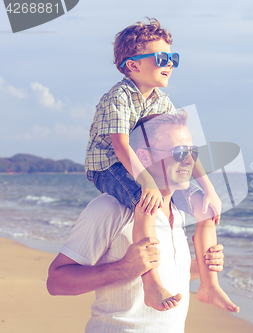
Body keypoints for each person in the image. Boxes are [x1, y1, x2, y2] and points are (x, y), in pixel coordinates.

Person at [84, 18, 233, 311]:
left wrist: (209, 189)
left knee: (206, 207)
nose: (170, 64)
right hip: (108, 164)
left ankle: (209, 285)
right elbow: (120, 145)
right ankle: (151, 284)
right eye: (162, 58)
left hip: (144, 163)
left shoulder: (162, 102)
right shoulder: (119, 96)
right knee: (145, 200)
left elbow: (186, 150)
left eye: (173, 58)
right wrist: (147, 183)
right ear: (133, 65)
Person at [47, 113, 238, 332]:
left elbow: (168, 272)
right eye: (179, 152)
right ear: (144, 158)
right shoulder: (111, 208)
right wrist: (122, 269)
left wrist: (203, 266)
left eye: (192, 152)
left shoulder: (178, 211)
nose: (189, 160)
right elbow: (55, 281)